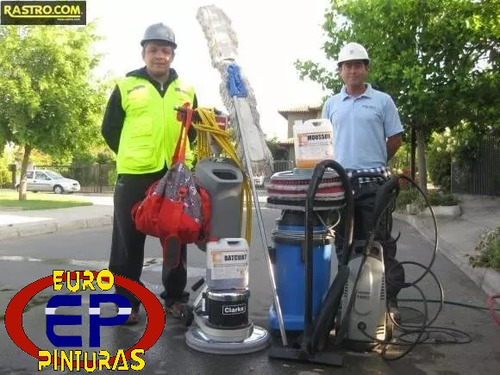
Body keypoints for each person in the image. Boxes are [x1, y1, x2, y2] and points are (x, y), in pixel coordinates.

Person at [101, 23, 197, 325]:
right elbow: (110, 129)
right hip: (134, 175)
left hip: (174, 175)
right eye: (153, 50)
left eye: (165, 50)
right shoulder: (126, 85)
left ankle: (174, 299)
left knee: (175, 238)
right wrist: (134, 154)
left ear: (173, 55)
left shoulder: (187, 90)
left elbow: (192, 132)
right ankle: (127, 303)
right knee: (128, 242)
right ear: (144, 53)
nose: (160, 56)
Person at [322, 42, 405, 321]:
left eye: (358, 65)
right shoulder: (331, 105)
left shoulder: (383, 101)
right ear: (340, 71)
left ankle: (387, 302)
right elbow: (323, 144)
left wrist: (378, 159)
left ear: (366, 69)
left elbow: (395, 138)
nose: (353, 70)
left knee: (378, 242)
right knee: (343, 244)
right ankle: (345, 300)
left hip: (373, 184)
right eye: (347, 65)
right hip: (341, 184)